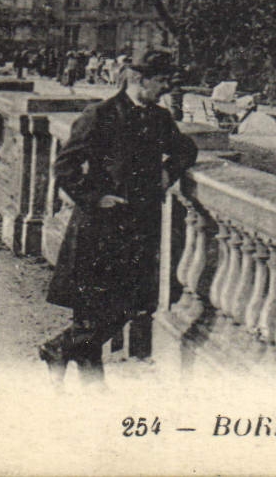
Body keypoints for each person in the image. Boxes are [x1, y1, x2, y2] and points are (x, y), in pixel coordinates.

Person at [40, 59, 199, 383]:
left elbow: (186, 149)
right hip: (99, 227)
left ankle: (58, 349)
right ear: (139, 80)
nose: (166, 88)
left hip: (138, 229)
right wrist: (94, 197)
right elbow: (65, 166)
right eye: (162, 80)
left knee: (128, 306)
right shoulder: (100, 115)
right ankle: (90, 384)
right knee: (91, 309)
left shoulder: (160, 118)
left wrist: (170, 170)